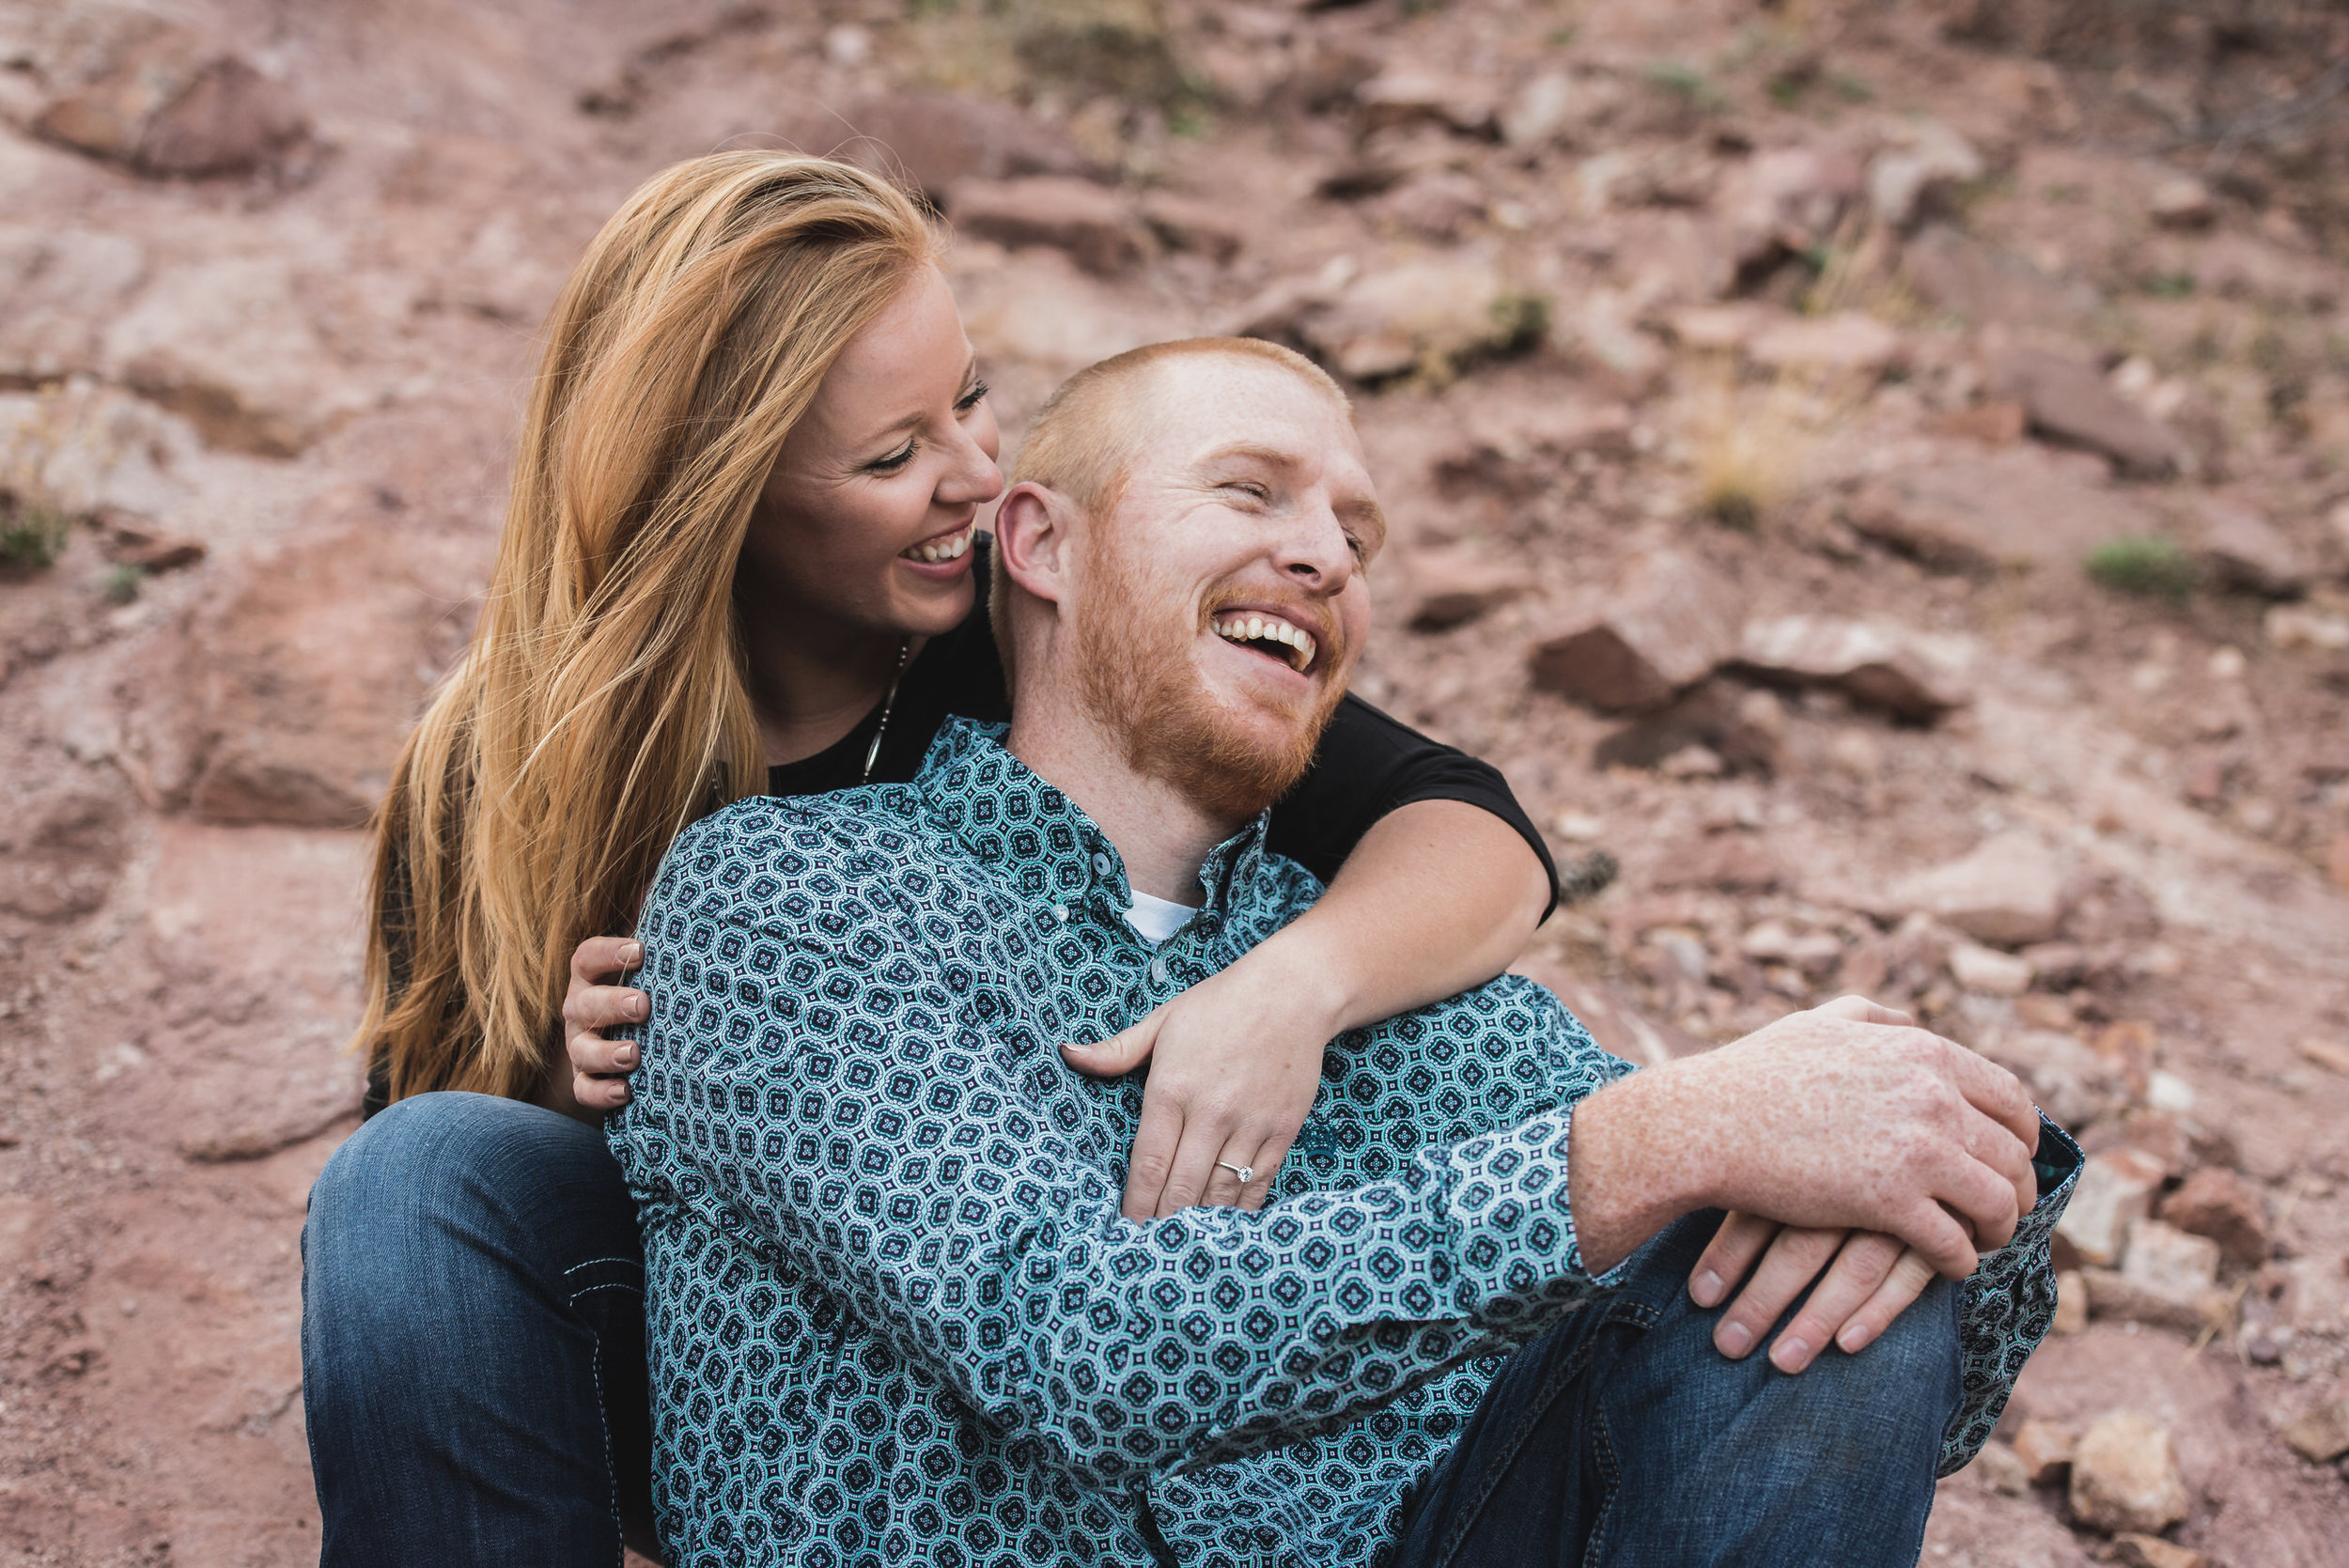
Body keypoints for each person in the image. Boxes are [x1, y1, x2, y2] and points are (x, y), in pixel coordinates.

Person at [612, 336, 2081, 1566]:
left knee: (1818, 1245)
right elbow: (1064, 1340)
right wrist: (1654, 1141)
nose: (1322, 553)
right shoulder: (795, 895)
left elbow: (1863, 1419)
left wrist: (1923, 1149)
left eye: (1356, 536)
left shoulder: (1441, 1016)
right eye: (1251, 489)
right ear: (1041, 540)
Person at [302, 152, 1575, 1565]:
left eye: (970, 397)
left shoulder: (1027, 636)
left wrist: (1293, 988)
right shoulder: (509, 749)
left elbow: (1476, 834)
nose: (976, 473)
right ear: (721, 492)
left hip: (1029, 1333)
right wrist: (558, 1078)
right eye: (894, 456)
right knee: (416, 1177)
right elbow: (409, 1139)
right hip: (709, 1346)